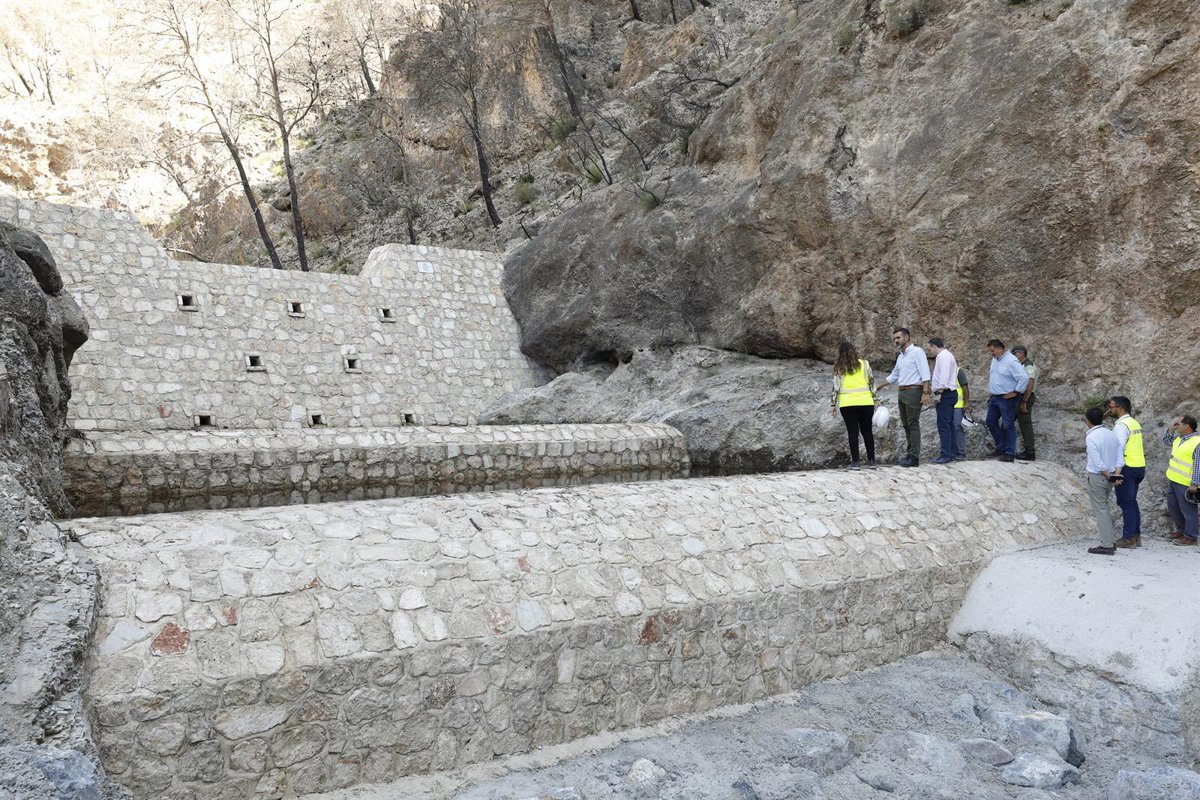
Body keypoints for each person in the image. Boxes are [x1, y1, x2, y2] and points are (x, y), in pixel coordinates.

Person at [876, 327, 930, 467]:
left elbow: (925, 372)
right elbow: (894, 375)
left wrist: (925, 393)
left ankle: (914, 457)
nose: (896, 340)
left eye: (898, 337)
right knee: (906, 424)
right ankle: (910, 454)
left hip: (914, 391)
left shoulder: (917, 352)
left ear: (907, 337)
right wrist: (878, 386)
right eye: (894, 338)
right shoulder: (901, 356)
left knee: (913, 423)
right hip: (902, 392)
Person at [830, 341, 877, 470]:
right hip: (866, 402)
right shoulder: (865, 364)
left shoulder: (838, 366)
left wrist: (833, 404)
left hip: (847, 403)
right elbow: (871, 382)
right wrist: (876, 399)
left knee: (852, 433)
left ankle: (855, 462)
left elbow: (836, 386)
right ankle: (872, 461)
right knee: (867, 432)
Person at [1083, 406, 1123, 556]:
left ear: (1088, 421)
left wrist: (1109, 475)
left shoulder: (1091, 437)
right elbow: (1120, 457)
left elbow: (1097, 462)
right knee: (1104, 508)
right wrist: (1115, 475)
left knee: (1101, 510)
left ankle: (1107, 545)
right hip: (1110, 476)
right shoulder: (1111, 434)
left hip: (1098, 477)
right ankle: (1108, 541)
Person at [1107, 396, 1144, 548]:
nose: (1109, 410)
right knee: (1132, 502)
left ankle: (1128, 538)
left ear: (1120, 408)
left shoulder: (1121, 426)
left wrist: (1116, 473)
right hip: (1139, 466)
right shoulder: (1134, 422)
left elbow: (1119, 449)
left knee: (1126, 503)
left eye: (1112, 407)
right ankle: (1136, 536)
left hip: (1127, 468)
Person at [985, 339, 1029, 463]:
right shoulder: (995, 359)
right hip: (995, 397)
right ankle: (1001, 447)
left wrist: (1016, 392)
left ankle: (1010, 453)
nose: (991, 353)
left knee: (1008, 424)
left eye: (993, 351)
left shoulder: (1011, 361)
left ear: (1001, 349)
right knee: (990, 421)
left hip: (1007, 398)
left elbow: (1024, 378)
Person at [1162, 415, 1200, 546]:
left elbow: (1198, 464)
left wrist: (1195, 484)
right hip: (1173, 479)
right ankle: (1181, 531)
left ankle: (1191, 537)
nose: (1176, 425)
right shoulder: (1179, 439)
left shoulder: (1197, 442)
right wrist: (1170, 429)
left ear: (1187, 426)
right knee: (1174, 508)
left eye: (1179, 423)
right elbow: (1167, 440)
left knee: (1188, 511)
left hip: (1186, 483)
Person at [927, 338, 958, 464]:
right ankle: (951, 453)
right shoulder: (947, 355)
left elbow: (944, 376)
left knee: (944, 425)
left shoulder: (943, 356)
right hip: (948, 393)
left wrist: (939, 393)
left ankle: (945, 455)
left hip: (945, 394)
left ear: (934, 346)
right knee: (949, 425)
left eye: (930, 348)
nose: (930, 351)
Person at [1013, 345, 1037, 461]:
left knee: (1025, 424)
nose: (1014, 356)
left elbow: (1029, 384)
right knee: (1015, 422)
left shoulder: (1028, 366)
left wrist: (1024, 402)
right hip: (1020, 396)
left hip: (1025, 397)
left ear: (1021, 353)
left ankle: (1030, 452)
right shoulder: (1021, 365)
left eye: (1015, 353)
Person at [952, 366, 971, 461]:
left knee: (957, 427)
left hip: (958, 405)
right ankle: (952, 452)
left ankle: (961, 452)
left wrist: (966, 402)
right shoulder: (941, 370)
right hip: (947, 405)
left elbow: (965, 387)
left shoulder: (958, 371)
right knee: (949, 428)